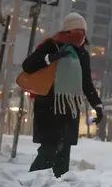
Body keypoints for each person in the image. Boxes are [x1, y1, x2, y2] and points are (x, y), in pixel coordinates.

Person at [22, 12, 104, 178]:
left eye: (83, 31)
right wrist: (50, 58)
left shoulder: (82, 54)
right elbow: (28, 65)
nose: (80, 35)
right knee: (50, 149)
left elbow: (86, 83)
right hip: (48, 106)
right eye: (76, 31)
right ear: (67, 31)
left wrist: (97, 105)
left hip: (69, 108)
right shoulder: (52, 45)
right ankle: (32, 182)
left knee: (63, 153)